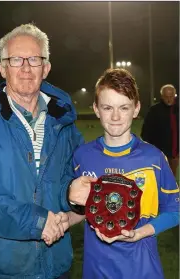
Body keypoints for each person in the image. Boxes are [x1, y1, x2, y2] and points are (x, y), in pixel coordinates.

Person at [0, 23, 95, 279]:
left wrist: (72, 197)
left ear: (46, 68)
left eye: (34, 59)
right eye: (16, 59)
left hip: (56, 267)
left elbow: (68, 184)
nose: (26, 68)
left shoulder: (64, 125)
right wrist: (37, 222)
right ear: (2, 68)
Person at [66, 69, 179, 279]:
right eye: (107, 107)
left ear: (136, 109)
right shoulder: (82, 157)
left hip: (142, 269)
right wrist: (64, 218)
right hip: (96, 269)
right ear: (96, 109)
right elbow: (82, 210)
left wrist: (140, 233)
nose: (116, 116)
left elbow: (175, 210)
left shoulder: (153, 158)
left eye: (124, 107)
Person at [141, 84, 179, 177]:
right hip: (158, 154)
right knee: (157, 178)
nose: (169, 99)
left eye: (171, 96)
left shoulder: (177, 110)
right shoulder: (154, 110)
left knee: (171, 179)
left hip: (174, 154)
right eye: (166, 97)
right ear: (162, 96)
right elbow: (146, 132)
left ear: (175, 95)